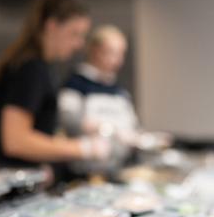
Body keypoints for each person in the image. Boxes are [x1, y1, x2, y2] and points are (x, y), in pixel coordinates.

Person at [0, 0, 111, 177]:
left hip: (12, 172)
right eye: (74, 34)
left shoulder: (44, 66)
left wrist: (41, 162)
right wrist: (81, 147)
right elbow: (15, 141)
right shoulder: (29, 68)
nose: (78, 44)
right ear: (51, 25)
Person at [58, 25, 171, 176]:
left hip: (117, 169)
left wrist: (147, 139)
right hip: (86, 171)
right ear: (92, 49)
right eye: (109, 52)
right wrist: (111, 129)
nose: (116, 60)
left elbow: (132, 127)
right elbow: (68, 119)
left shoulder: (119, 90)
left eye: (120, 53)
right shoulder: (76, 83)